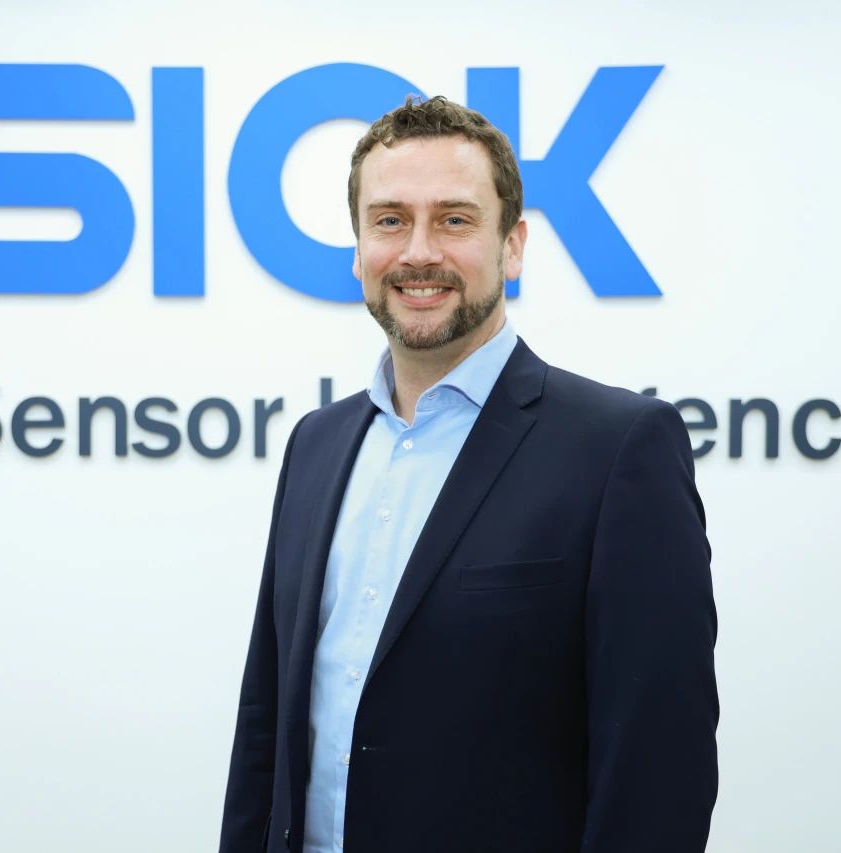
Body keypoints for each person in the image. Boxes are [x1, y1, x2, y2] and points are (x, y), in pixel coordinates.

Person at [218, 95, 718, 853]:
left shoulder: (619, 449)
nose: (419, 252)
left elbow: (658, 767)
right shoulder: (315, 445)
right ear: (358, 250)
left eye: (454, 220)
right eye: (390, 220)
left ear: (512, 247)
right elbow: (266, 724)